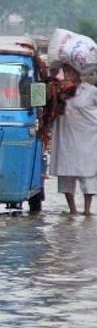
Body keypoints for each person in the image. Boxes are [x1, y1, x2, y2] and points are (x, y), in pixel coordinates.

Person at [49, 63, 97, 215]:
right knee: (66, 172)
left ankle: (88, 210)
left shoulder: (90, 91)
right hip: (65, 136)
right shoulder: (56, 90)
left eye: (70, 71)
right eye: (66, 71)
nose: (68, 74)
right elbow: (42, 103)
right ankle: (72, 210)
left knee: (88, 173)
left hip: (87, 137)